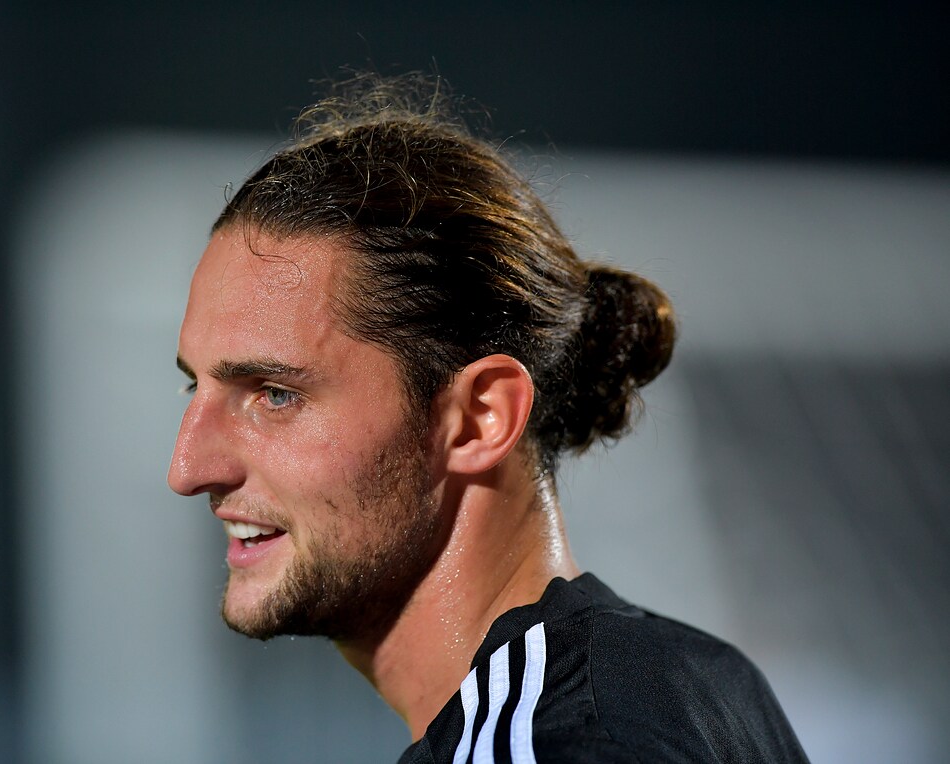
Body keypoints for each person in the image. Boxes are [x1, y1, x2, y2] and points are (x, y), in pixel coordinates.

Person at [167, 75, 808, 763]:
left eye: (274, 394)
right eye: (193, 387)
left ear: (480, 418)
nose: (187, 469)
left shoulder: (564, 742)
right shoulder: (690, 683)